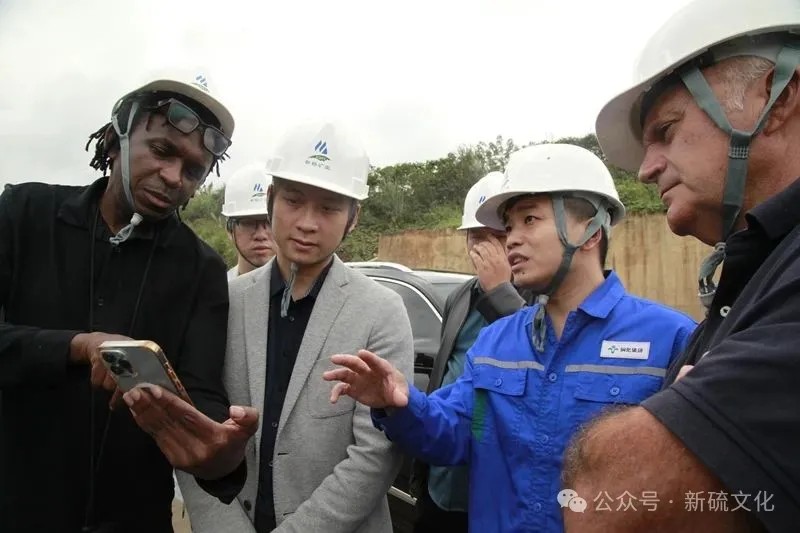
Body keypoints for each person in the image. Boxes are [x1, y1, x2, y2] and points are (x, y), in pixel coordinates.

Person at [323, 143, 697, 532]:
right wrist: (399, 405)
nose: (511, 238)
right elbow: (453, 434)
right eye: (509, 226)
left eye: (529, 220)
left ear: (590, 231)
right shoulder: (495, 343)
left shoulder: (669, 340)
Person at [560, 0, 800, 531]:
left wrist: (646, 433)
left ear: (778, 97)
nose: (646, 170)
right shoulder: (757, 272)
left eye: (666, 131)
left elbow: (604, 499)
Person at [0, 68, 258, 533]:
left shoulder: (200, 270)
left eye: (194, 170)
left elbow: (199, 392)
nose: (174, 177)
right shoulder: (23, 214)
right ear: (116, 137)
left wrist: (220, 451)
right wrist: (78, 346)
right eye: (162, 150)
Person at [176, 120, 414, 533]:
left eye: (329, 208)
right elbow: (192, 428)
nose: (307, 222)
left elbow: (376, 453)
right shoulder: (224, 302)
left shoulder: (381, 312)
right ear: (271, 200)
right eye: (293, 200)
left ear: (353, 217)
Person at [411, 170, 531, 532]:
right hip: (441, 480)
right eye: (477, 238)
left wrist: (501, 292)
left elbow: (536, 358)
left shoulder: (538, 299)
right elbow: (444, 373)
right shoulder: (460, 296)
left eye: (498, 237)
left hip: (495, 488)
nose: (487, 250)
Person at [221, 162, 276, 280]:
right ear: (229, 230)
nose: (261, 235)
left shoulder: (306, 288)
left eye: (269, 222)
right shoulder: (218, 288)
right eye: (248, 223)